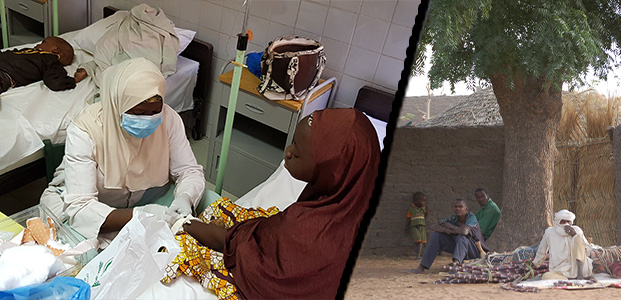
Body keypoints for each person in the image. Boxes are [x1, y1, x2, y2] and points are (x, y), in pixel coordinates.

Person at [166, 108, 381, 299]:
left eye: (296, 149)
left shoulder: (306, 227)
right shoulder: (351, 195)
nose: (287, 152)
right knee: (219, 209)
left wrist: (185, 223)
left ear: (333, 172)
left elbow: (246, 251)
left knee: (181, 246)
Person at [40, 58, 201, 247]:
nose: (148, 119)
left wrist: (185, 197)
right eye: (139, 113)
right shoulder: (86, 128)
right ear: (118, 106)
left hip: (144, 198)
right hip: (87, 206)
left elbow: (189, 171)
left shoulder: (169, 119)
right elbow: (80, 206)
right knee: (86, 250)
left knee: (175, 240)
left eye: (154, 112)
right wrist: (139, 215)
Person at [412, 199, 485, 274]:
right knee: (437, 235)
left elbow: (464, 231)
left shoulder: (471, 217)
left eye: (460, 207)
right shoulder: (453, 218)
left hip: (475, 251)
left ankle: (456, 265)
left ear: (466, 208)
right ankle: (422, 266)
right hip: (461, 250)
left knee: (461, 236)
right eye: (455, 207)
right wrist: (447, 230)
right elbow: (434, 226)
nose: (457, 209)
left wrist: (451, 227)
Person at [0, 36, 86, 93]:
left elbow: (54, 82)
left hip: (6, 73)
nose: (38, 44)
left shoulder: (51, 62)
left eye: (43, 42)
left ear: (56, 50)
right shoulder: (32, 52)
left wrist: (74, 80)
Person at [533, 209, 592, 280]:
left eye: (568, 221)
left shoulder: (577, 230)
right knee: (546, 277)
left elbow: (588, 249)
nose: (566, 224)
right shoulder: (550, 233)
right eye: (563, 221)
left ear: (571, 222)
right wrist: (535, 264)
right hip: (560, 270)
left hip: (579, 268)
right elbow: (541, 250)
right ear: (558, 222)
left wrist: (574, 236)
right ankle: (569, 279)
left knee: (578, 238)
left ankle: (580, 275)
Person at [406, 192, 429, 258]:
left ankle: (418, 255)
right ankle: (416, 252)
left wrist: (427, 212)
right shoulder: (411, 208)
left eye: (424, 201)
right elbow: (408, 218)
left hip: (422, 226)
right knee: (417, 240)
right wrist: (406, 227)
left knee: (421, 240)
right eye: (422, 201)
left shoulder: (424, 208)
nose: (424, 203)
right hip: (414, 226)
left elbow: (424, 217)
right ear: (416, 201)